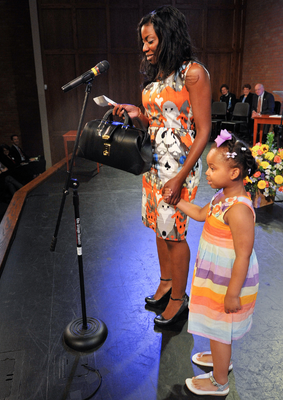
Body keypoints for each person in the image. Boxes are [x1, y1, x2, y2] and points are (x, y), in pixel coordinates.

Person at [111, 5, 211, 327]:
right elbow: (157, 119)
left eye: (150, 40)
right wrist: (136, 113)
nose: (145, 47)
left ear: (167, 36)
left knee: (174, 233)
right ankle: (166, 282)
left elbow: (204, 130)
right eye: (143, 41)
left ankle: (180, 301)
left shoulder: (192, 73)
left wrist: (180, 178)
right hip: (154, 161)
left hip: (179, 166)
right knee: (158, 226)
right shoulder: (159, 75)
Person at [164, 130, 259, 396]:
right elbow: (199, 213)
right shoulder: (221, 198)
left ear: (233, 173)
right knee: (218, 326)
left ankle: (219, 382)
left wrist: (233, 293)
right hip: (216, 277)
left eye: (212, 168)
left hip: (229, 281)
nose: (206, 172)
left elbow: (243, 255)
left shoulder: (238, 209)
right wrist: (177, 200)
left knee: (219, 328)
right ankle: (222, 360)